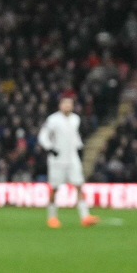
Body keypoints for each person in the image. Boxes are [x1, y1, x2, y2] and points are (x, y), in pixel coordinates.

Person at [38, 93, 98, 229]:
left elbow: (75, 135)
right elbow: (43, 135)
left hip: (72, 158)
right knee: (55, 188)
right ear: (60, 105)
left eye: (69, 104)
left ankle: (85, 217)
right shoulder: (53, 119)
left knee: (79, 185)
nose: (67, 106)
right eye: (65, 103)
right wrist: (50, 148)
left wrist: (79, 146)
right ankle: (52, 217)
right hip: (57, 159)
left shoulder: (75, 119)